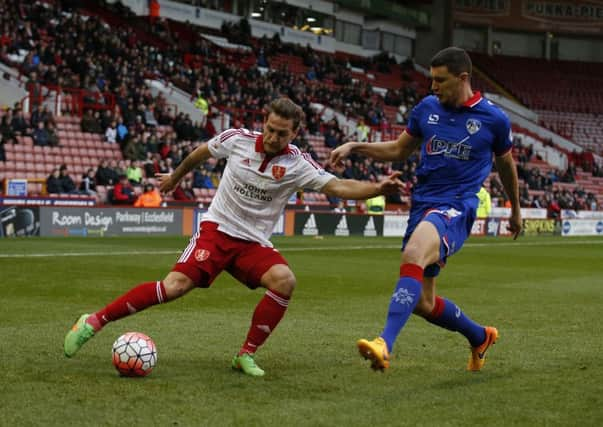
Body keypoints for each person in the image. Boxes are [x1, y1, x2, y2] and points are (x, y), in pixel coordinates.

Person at [63, 97, 404, 376]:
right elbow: (201, 152)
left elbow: (339, 186)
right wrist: (177, 177)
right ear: (264, 123)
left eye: (282, 133)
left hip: (252, 243)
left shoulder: (298, 164)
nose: (273, 137)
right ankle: (94, 321)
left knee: (284, 281)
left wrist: (377, 188)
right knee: (174, 287)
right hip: (217, 231)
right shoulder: (236, 139)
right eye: (270, 129)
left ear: (295, 133)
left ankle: (245, 355)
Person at [330, 47, 522, 372]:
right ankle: (480, 336)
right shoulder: (427, 108)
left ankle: (384, 344)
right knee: (422, 303)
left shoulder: (494, 119)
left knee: (414, 254)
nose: (433, 87)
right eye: (431, 79)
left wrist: (516, 209)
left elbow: (506, 165)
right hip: (422, 205)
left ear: (463, 78)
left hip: (456, 206)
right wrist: (355, 146)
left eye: (440, 80)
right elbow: (399, 149)